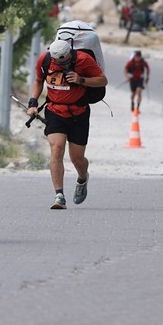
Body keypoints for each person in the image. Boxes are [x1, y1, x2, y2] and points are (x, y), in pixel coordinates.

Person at [28, 37, 108, 209]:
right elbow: (38, 80)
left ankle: (82, 177)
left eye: (65, 61)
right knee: (57, 149)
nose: (62, 64)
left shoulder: (84, 60)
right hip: (55, 111)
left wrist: (81, 80)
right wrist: (33, 103)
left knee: (77, 158)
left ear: (70, 54)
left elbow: (102, 80)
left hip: (79, 113)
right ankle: (59, 196)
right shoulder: (45, 59)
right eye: (59, 62)